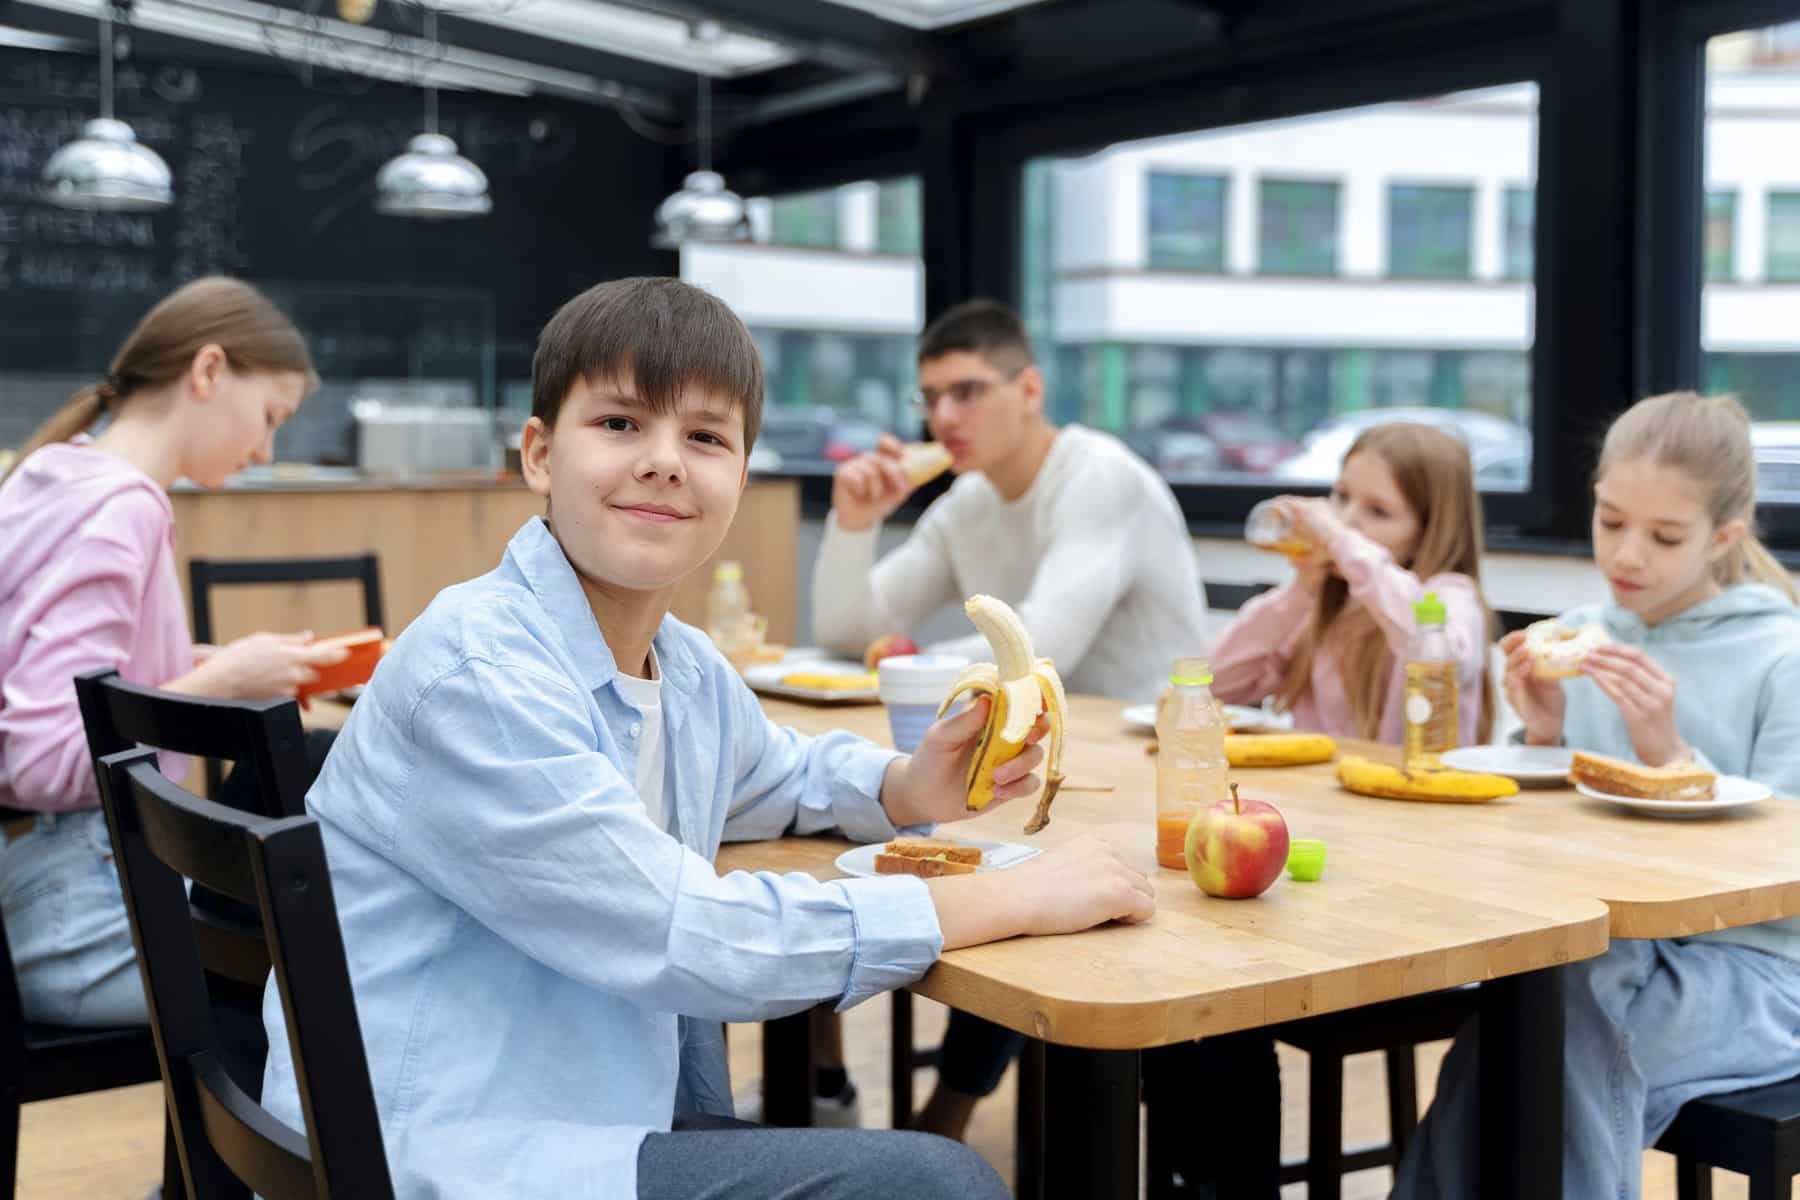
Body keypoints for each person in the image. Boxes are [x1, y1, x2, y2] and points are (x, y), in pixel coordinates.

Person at [257, 277, 1156, 1200]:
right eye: (618, 425)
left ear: (740, 473)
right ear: (537, 453)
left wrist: (906, 787)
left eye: (705, 437)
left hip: (583, 1102)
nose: (663, 462)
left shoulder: (679, 665)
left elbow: (781, 773)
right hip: (436, 1147)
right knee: (938, 1185)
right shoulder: (477, 669)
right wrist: (1016, 897)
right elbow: (696, 937)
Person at [805, 298, 1211, 1137]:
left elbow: (1042, 642)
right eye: (929, 398)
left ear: (1028, 388)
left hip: (1146, 772)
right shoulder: (967, 504)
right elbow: (847, 631)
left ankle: (947, 1114)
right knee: (977, 863)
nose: (943, 417)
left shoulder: (1098, 478)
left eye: (966, 392)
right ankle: (915, 1110)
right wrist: (853, 524)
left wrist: (912, 660)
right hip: (1042, 771)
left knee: (1008, 874)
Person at [1393, 392, 1800, 1200]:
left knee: (1536, 1035)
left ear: (1723, 537)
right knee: (1542, 1009)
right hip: (1600, 958)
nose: (1628, 554)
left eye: (1664, 535)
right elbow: (1527, 851)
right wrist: (1539, 740)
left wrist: (1672, 758)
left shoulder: (1782, 653)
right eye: (1610, 521)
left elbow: (1784, 886)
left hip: (1759, 974)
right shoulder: (1580, 632)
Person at [1152, 419, 1496, 1197]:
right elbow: (1213, 685)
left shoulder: (1447, 601)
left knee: (1216, 1011)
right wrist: (1300, 590)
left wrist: (1347, 546)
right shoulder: (1323, 604)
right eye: (1342, 498)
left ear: (1429, 527)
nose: (1347, 519)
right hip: (1301, 875)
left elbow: (1425, 638)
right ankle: (1186, 1176)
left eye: (1379, 511)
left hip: (1402, 898)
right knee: (1175, 980)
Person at [0, 276, 347, 1032]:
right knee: (351, 980)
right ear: (209, 370)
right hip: (82, 923)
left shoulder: (52, 474)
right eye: (269, 417)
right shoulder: (120, 507)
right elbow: (41, 758)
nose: (265, 449)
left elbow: (62, 682)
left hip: (54, 894)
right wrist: (221, 681)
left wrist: (190, 664)